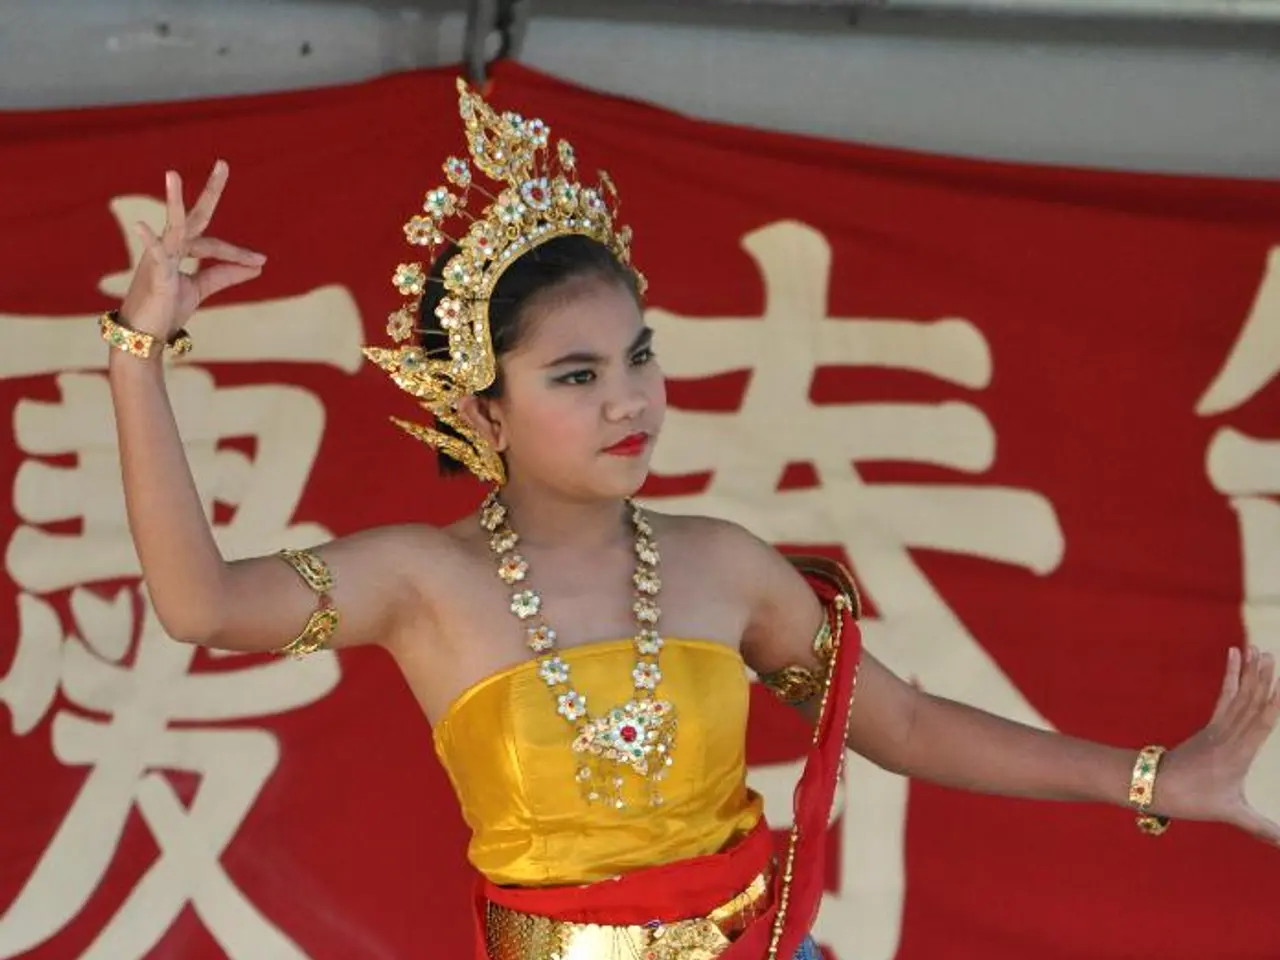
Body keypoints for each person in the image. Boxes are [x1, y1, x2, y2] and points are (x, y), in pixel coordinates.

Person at [103, 79, 1278, 960]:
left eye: (638, 357)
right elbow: (201, 604)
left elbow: (906, 727)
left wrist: (1149, 779)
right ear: (483, 408)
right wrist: (138, 353)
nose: (628, 399)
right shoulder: (421, 581)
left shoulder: (722, 568)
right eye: (574, 376)